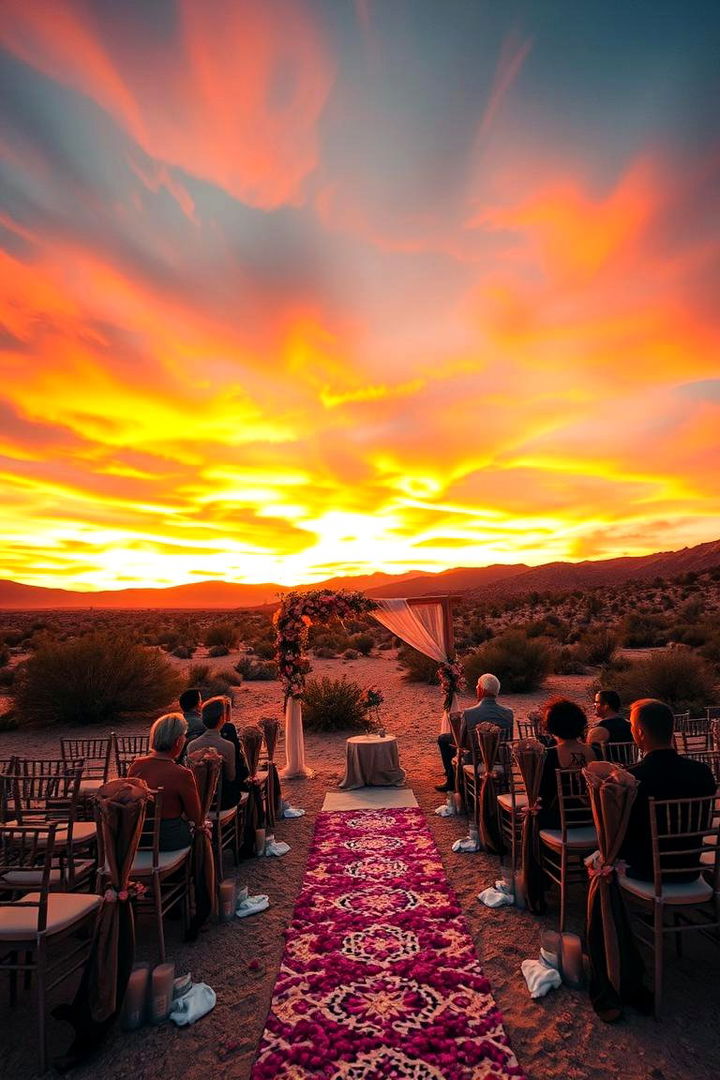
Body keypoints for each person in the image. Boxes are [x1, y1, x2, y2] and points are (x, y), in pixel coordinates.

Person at [620, 698, 716, 882]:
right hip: (690, 867)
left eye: (632, 726)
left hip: (645, 870)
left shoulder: (633, 778)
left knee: (601, 864)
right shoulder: (702, 772)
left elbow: (622, 832)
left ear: (639, 732)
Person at [128, 713, 202, 850]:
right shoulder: (182, 774)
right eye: (184, 736)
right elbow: (196, 817)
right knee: (202, 832)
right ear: (178, 741)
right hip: (168, 838)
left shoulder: (136, 766)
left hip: (137, 837)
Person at [436, 673, 513, 792]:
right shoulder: (508, 713)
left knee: (443, 739)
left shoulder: (469, 713)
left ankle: (452, 781)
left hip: (476, 759)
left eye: (478, 686)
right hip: (500, 758)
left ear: (482, 690)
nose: (476, 689)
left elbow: (461, 742)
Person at [537, 698, 597, 829]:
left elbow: (541, 794)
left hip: (559, 822)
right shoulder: (596, 751)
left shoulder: (548, 755)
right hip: (594, 818)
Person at [187, 696, 243, 809]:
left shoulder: (192, 745)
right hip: (222, 802)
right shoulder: (228, 746)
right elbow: (231, 777)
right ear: (222, 718)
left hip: (198, 802)